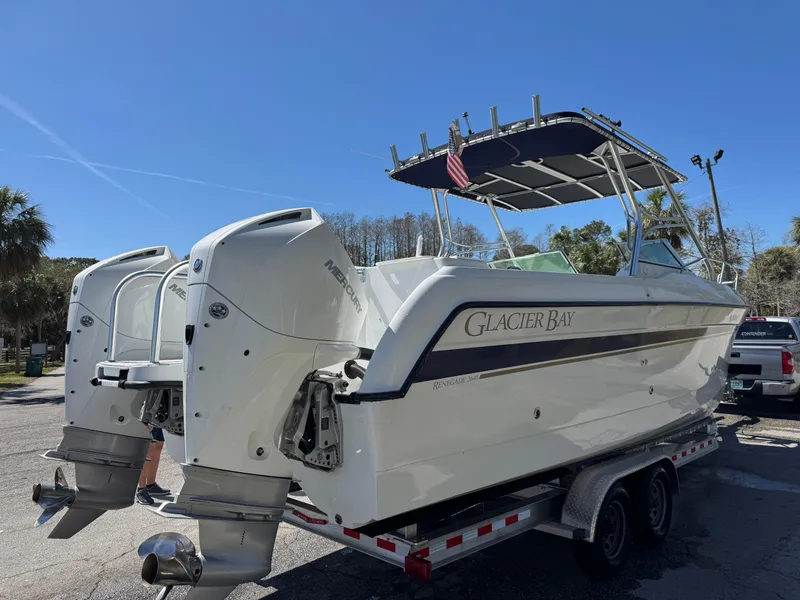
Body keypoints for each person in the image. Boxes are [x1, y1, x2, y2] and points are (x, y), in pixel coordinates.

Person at [135, 425, 171, 505]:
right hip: (147, 418)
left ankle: (150, 485)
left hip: (159, 417)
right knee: (147, 448)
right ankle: (141, 489)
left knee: (158, 445)